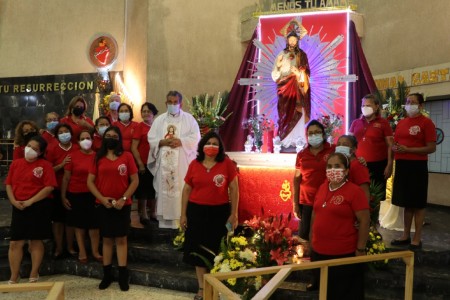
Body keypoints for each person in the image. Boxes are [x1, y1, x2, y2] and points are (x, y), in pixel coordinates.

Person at [180, 131, 239, 300]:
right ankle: (201, 288)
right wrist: (183, 214)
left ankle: (214, 287)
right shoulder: (194, 164)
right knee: (198, 253)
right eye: (208, 143)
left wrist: (233, 214)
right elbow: (186, 190)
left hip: (219, 213)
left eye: (215, 144)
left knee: (216, 252)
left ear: (220, 147)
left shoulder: (226, 164)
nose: (211, 146)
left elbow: (234, 189)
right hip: (196, 212)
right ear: (202, 146)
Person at [309, 152, 370, 298]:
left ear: (347, 170)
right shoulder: (323, 187)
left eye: (337, 166)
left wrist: (360, 248)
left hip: (343, 255)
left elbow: (364, 220)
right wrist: (311, 239)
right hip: (319, 252)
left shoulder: (355, 192)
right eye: (329, 166)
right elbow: (315, 213)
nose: (332, 170)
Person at [87, 126, 138, 291]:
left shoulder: (127, 156)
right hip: (104, 205)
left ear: (119, 139)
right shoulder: (98, 157)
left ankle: (123, 275)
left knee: (122, 239)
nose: (111, 138)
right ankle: (107, 275)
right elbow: (90, 182)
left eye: (114, 136)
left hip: (123, 205)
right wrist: (102, 200)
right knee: (107, 240)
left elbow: (135, 181)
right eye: (108, 135)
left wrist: (123, 198)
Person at [6, 135, 57, 284]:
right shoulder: (16, 164)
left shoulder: (45, 165)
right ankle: (14, 275)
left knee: (35, 241)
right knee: (15, 243)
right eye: (29, 146)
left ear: (40, 152)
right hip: (18, 206)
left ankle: (34, 273)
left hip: (38, 206)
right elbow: (8, 184)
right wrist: (13, 201)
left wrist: (30, 201)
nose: (30, 150)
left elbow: (49, 187)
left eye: (35, 149)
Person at [147, 90, 200, 229]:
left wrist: (181, 141)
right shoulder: (159, 120)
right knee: (165, 190)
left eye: (175, 102)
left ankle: (182, 220)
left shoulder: (189, 119)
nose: (172, 104)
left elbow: (196, 137)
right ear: (166, 103)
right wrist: (162, 142)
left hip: (181, 165)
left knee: (181, 189)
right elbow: (151, 138)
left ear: (180, 104)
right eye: (170, 102)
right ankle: (165, 225)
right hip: (163, 164)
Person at [390, 93, 436, 250]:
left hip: (417, 166)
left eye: (413, 102)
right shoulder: (402, 122)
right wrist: (395, 147)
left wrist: (409, 149)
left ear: (421, 106)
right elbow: (396, 142)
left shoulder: (426, 123)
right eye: (408, 102)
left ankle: (417, 238)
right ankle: (405, 235)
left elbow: (431, 147)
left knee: (418, 203)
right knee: (406, 202)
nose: (410, 104)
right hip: (402, 164)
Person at [61, 130, 102, 264]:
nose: (86, 140)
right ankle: (82, 252)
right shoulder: (71, 156)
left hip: (93, 194)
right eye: (82, 138)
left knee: (94, 225)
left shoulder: (97, 156)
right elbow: (66, 177)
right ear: (78, 142)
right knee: (79, 225)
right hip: (76, 194)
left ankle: (95, 251)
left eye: (88, 138)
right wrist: (63, 195)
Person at [293, 120, 335, 245]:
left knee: (324, 236)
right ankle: (306, 264)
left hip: (327, 200)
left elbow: (349, 160)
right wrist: (295, 203)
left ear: (323, 134)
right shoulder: (301, 154)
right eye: (310, 133)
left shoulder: (333, 150)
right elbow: (296, 179)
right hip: (306, 201)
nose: (313, 135)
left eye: (317, 132)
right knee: (304, 238)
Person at [272, 19, 310, 145]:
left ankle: (298, 140)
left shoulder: (302, 55)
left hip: (297, 87)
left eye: (294, 39)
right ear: (287, 40)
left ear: (297, 40)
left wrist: (299, 74)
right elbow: (275, 75)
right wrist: (277, 66)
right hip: (284, 87)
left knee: (297, 110)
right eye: (290, 39)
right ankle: (285, 140)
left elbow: (307, 72)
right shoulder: (281, 54)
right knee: (284, 112)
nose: (292, 41)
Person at [349, 94, 394, 200]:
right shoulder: (356, 123)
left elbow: (390, 145)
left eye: (368, 105)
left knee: (375, 197)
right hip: (358, 164)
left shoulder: (383, 123)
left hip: (378, 166)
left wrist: (389, 164)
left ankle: (374, 216)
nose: (365, 108)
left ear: (376, 106)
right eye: (363, 105)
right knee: (357, 196)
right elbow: (349, 142)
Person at [46, 123, 79, 259]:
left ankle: (70, 246)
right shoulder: (52, 148)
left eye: (66, 131)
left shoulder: (77, 148)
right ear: (57, 135)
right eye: (61, 132)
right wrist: (62, 165)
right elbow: (47, 170)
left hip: (73, 189)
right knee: (58, 220)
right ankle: (59, 247)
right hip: (57, 188)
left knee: (70, 220)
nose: (64, 134)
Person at [131, 102, 159, 225]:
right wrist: (140, 163)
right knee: (143, 190)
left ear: (153, 113)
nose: (146, 113)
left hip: (156, 163)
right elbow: (134, 147)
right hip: (143, 163)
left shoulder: (158, 127)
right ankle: (143, 214)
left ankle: (153, 212)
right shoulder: (139, 127)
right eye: (144, 111)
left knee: (154, 189)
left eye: (148, 111)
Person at [335, 135, 371, 202]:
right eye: (338, 144)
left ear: (353, 149)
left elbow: (365, 192)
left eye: (344, 145)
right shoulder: (338, 164)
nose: (340, 147)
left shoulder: (358, 165)